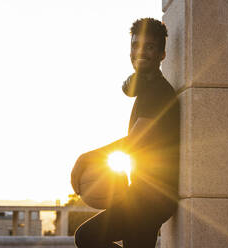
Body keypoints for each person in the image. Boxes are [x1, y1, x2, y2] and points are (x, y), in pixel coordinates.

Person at [71, 18, 180, 248]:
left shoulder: (158, 93)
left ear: (162, 54)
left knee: (87, 237)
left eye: (149, 46)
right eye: (135, 45)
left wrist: (87, 158)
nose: (140, 52)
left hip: (151, 198)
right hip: (144, 194)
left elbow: (135, 142)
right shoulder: (147, 90)